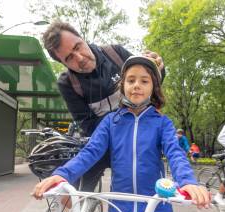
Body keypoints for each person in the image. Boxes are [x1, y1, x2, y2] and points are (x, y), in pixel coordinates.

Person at [32, 56, 211, 212]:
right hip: (120, 205)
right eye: (131, 80)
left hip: (156, 205)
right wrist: (62, 174)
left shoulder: (162, 122)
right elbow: (90, 151)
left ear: (154, 87)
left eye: (144, 81)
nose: (136, 85)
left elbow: (175, 153)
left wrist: (188, 182)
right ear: (122, 85)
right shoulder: (110, 121)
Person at [42, 21, 165, 192]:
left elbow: (150, 82)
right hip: (100, 142)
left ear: (82, 39)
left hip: (136, 139)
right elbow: (87, 125)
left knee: (144, 190)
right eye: (69, 58)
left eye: (78, 47)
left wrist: (159, 68)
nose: (79, 58)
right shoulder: (67, 83)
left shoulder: (116, 53)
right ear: (63, 64)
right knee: (75, 194)